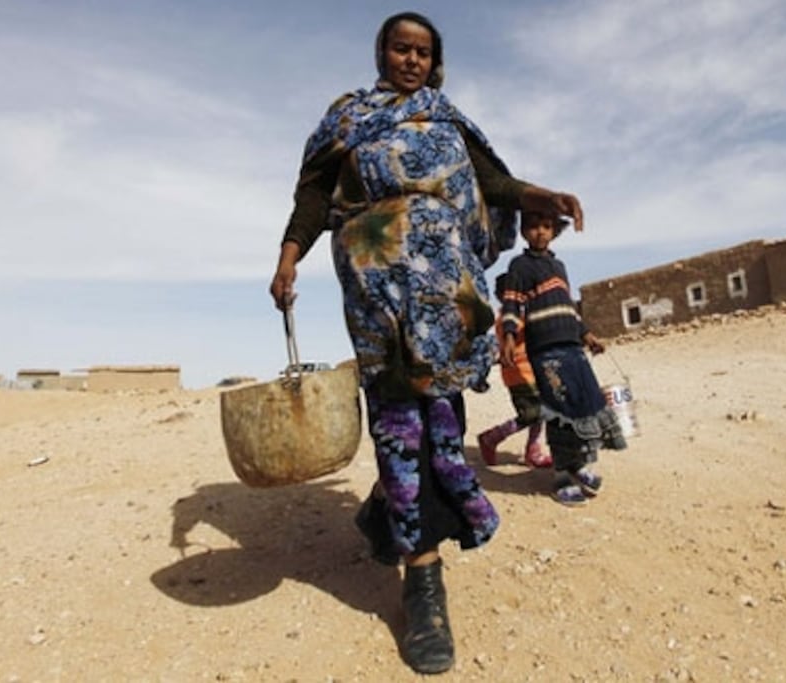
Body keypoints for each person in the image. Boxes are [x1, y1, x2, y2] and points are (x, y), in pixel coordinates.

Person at [268, 12, 583, 675]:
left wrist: (542, 193)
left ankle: (403, 523)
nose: (411, 60)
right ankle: (424, 577)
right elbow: (314, 195)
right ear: (381, 51)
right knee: (395, 420)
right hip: (376, 289)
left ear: (434, 61)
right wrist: (289, 256)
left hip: (448, 293)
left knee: (437, 418)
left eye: (423, 52)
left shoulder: (447, 119)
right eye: (400, 48)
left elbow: (493, 185)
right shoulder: (347, 119)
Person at [500, 210, 627, 507]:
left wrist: (587, 335)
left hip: (572, 347)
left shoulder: (559, 266)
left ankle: (579, 465)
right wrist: (507, 336)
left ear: (554, 232)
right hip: (545, 350)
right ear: (524, 233)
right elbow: (511, 304)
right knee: (560, 411)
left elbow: (568, 307)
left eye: (546, 226)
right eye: (534, 226)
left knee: (585, 405)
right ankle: (560, 475)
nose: (540, 232)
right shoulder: (519, 265)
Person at [476, 274, 553, 469]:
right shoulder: (507, 319)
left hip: (534, 370)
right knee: (531, 414)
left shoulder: (521, 314)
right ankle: (492, 437)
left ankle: (533, 450)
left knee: (542, 411)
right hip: (518, 374)